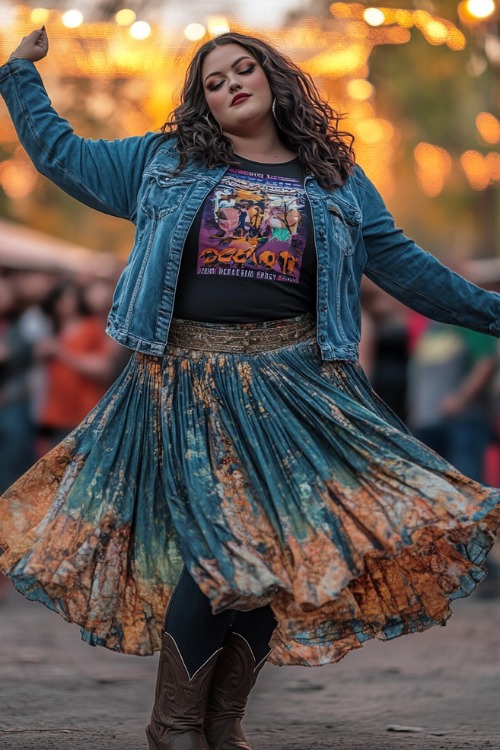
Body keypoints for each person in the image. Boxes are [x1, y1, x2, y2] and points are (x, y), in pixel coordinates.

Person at [1, 27, 500, 750]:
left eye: (245, 69)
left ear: (275, 79)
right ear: (202, 100)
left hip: (300, 389)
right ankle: (174, 727)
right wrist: (20, 77)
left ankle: (221, 722)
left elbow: (408, 269)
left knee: (280, 557)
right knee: (224, 557)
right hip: (190, 386)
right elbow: (61, 156)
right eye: (214, 80)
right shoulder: (161, 160)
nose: (233, 83)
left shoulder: (335, 178)